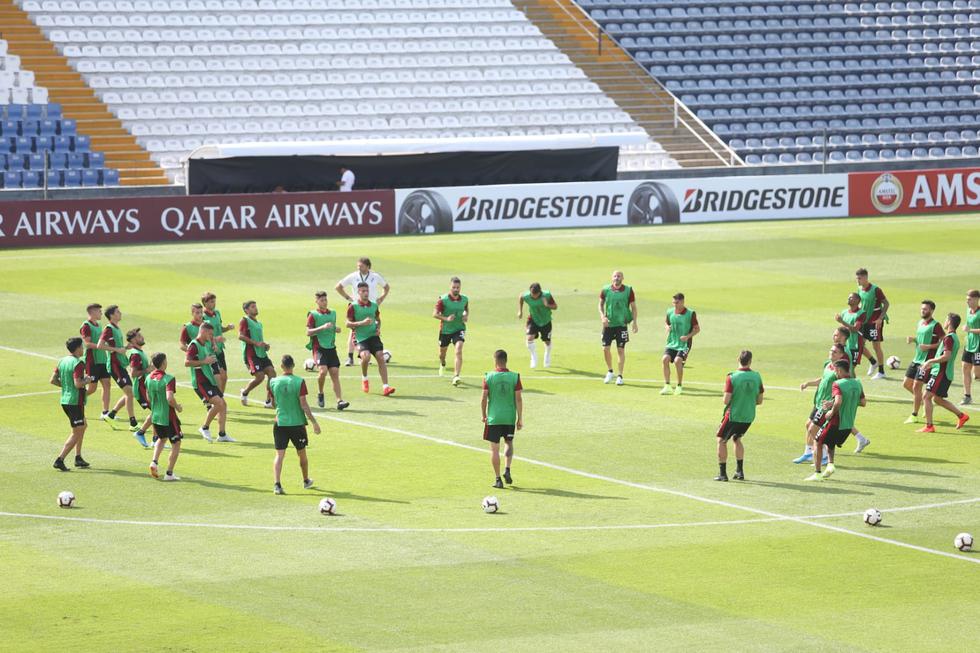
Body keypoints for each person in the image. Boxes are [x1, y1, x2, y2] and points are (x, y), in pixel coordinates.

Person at [269, 354, 321, 495]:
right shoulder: (299, 381)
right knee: (302, 454)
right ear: (293, 366)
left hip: (280, 423)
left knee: (279, 455)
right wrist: (314, 422)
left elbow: (273, 402)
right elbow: (303, 404)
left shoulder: (273, 382)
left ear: (281, 366)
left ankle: (277, 484)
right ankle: (305, 480)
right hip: (297, 424)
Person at [807, 359, 866, 481]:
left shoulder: (837, 384)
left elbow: (839, 402)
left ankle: (817, 473)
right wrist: (832, 403)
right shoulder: (858, 383)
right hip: (848, 424)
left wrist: (831, 412)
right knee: (830, 442)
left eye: (835, 371)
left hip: (836, 422)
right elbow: (862, 402)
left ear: (839, 370)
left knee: (817, 441)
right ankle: (830, 465)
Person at [794, 343, 848, 465]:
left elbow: (843, 390)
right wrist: (808, 383)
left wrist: (832, 403)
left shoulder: (839, 371)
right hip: (818, 402)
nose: (831, 353)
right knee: (808, 425)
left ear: (841, 355)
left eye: (835, 352)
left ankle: (823, 456)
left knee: (814, 429)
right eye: (831, 351)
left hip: (825, 406)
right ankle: (808, 453)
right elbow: (822, 379)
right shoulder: (828, 365)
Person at [714, 350, 763, 481]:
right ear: (750, 361)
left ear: (738, 359)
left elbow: (726, 400)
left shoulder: (732, 377)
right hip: (749, 416)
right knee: (737, 438)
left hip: (733, 415)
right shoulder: (757, 376)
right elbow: (759, 400)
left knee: (721, 440)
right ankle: (739, 471)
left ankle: (722, 474)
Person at [919, 313, 971, 433]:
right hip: (944, 373)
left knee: (926, 397)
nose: (944, 321)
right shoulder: (953, 337)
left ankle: (929, 426)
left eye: (946, 319)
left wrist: (930, 361)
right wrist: (932, 364)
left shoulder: (949, 338)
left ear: (949, 322)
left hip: (941, 373)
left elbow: (946, 356)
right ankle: (961, 416)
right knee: (937, 399)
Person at [335, 257, 389, 367]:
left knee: (372, 329)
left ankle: (365, 355)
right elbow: (338, 287)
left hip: (371, 306)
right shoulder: (353, 276)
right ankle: (350, 357)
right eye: (358, 266)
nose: (359, 268)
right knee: (354, 330)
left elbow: (386, 287)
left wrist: (381, 298)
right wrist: (348, 298)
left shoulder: (375, 277)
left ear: (368, 266)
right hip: (357, 307)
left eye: (361, 266)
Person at [482, 349, 523, 489]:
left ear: (495, 361)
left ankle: (498, 479)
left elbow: (483, 398)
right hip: (509, 418)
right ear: (506, 360)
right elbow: (518, 399)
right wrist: (520, 418)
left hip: (494, 418)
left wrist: (483, 415)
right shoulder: (515, 377)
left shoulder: (488, 376)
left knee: (494, 449)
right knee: (509, 443)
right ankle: (507, 469)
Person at [51, 337, 93, 471]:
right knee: (77, 431)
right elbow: (78, 383)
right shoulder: (78, 363)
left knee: (83, 426)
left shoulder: (62, 361)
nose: (83, 349)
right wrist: (87, 380)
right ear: (77, 348)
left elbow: (53, 380)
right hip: (75, 402)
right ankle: (60, 459)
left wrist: (66, 387)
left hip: (65, 400)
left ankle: (78, 457)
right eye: (82, 347)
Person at [346, 281, 396, 396]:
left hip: (373, 336)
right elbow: (347, 324)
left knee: (380, 356)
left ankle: (386, 387)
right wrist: (361, 323)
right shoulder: (353, 306)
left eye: (367, 291)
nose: (365, 293)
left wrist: (378, 328)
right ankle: (364, 378)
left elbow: (378, 319)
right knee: (366, 357)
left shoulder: (374, 305)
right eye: (363, 291)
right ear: (358, 292)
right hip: (360, 337)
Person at [186, 322, 232, 442]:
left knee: (223, 404)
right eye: (210, 334)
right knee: (218, 403)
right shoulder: (194, 345)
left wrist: (214, 347)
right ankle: (204, 427)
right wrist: (204, 361)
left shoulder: (206, 343)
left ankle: (222, 434)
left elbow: (210, 357)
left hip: (209, 379)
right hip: (200, 382)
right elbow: (187, 362)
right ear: (203, 332)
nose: (212, 336)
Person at [903, 300, 944, 424]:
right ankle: (924, 402)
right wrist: (913, 339)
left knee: (916, 387)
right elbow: (921, 339)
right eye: (922, 309)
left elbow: (944, 342)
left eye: (925, 309)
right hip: (916, 359)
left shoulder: (936, 325)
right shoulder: (920, 322)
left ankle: (914, 415)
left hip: (926, 362)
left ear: (931, 311)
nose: (923, 311)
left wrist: (929, 346)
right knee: (906, 384)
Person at [306, 290, 349, 410]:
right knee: (323, 371)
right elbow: (308, 332)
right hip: (319, 347)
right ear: (316, 301)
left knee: (335, 373)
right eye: (321, 300)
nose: (324, 302)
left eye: (325, 300)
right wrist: (322, 327)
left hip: (331, 347)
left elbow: (332, 327)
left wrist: (336, 329)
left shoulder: (333, 313)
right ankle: (320, 393)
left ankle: (339, 401)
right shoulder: (313, 315)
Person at [98, 304, 138, 429]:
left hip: (120, 364)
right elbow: (100, 345)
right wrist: (117, 349)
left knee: (130, 393)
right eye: (117, 312)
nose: (120, 313)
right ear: (112, 315)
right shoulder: (109, 328)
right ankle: (133, 423)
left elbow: (117, 347)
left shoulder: (116, 328)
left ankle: (111, 415)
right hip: (115, 365)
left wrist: (125, 347)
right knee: (130, 392)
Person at [146, 352, 183, 482]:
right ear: (163, 363)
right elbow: (169, 398)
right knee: (176, 443)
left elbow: (148, 397)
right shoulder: (169, 379)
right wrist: (177, 407)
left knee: (162, 439)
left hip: (155, 416)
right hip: (168, 417)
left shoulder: (148, 378)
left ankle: (154, 462)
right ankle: (169, 473)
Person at [599, 270, 637, 386]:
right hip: (608, 324)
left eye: (619, 276)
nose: (617, 278)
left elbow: (634, 307)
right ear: (612, 278)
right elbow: (600, 304)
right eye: (615, 276)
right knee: (605, 348)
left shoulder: (628, 290)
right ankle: (610, 371)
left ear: (623, 278)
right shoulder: (605, 289)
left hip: (621, 325)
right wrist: (602, 317)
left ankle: (620, 376)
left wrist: (635, 322)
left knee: (620, 350)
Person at [661, 292, 700, 395]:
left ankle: (679, 386)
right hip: (672, 342)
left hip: (684, 344)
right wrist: (667, 327)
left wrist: (687, 336)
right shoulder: (670, 312)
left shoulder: (690, 313)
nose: (675, 305)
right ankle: (667, 386)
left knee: (678, 361)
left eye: (677, 303)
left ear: (682, 302)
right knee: (665, 359)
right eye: (673, 302)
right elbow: (666, 322)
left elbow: (697, 329)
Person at [239, 300, 275, 407]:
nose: (255, 308)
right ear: (246, 310)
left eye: (255, 306)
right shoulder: (244, 320)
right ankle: (245, 392)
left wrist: (265, 345)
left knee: (272, 374)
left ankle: (268, 401)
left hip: (262, 353)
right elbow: (240, 336)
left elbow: (259, 340)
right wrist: (256, 343)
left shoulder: (259, 323)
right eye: (252, 307)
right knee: (260, 376)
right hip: (251, 354)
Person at [79, 303, 112, 418]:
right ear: (92, 312)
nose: (101, 313)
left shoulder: (98, 325)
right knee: (92, 388)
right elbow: (87, 344)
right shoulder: (86, 326)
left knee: (107, 384)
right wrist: (102, 346)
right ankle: (78, 400)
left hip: (102, 360)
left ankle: (105, 412)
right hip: (91, 361)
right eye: (99, 311)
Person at [434, 276, 469, 386]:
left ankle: (456, 376)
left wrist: (466, 316)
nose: (456, 289)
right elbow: (434, 314)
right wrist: (446, 319)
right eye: (454, 287)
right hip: (445, 330)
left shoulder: (464, 299)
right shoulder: (443, 300)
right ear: (450, 287)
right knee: (442, 354)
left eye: (458, 287)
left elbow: (466, 309)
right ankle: (442, 363)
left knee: (458, 349)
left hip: (459, 329)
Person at [855, 268, 890, 379]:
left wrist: (880, 318)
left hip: (875, 321)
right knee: (859, 344)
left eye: (859, 278)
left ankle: (881, 371)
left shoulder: (876, 290)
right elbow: (861, 304)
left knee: (876, 346)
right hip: (864, 320)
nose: (858, 281)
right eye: (857, 278)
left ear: (865, 278)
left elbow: (886, 303)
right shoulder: (860, 289)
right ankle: (873, 362)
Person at [517, 283, 557, 369]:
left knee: (547, 341)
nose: (534, 297)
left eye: (536, 295)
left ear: (540, 292)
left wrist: (547, 305)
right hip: (533, 319)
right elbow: (521, 297)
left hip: (546, 321)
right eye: (532, 295)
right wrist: (520, 311)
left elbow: (555, 306)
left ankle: (547, 356)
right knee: (529, 338)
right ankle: (533, 357)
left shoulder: (547, 295)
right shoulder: (527, 296)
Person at [202, 292, 235, 394]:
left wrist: (227, 328)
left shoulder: (217, 313)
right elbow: (203, 335)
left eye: (214, 301)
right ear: (205, 303)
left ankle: (220, 398)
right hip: (210, 350)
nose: (214, 303)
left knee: (224, 377)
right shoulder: (203, 317)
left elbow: (219, 328)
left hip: (219, 349)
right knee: (218, 377)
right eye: (212, 302)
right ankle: (217, 401)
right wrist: (215, 339)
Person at [127, 328, 153, 448]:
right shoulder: (135, 354)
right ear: (133, 340)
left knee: (158, 411)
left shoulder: (138, 352)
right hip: (141, 388)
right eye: (139, 336)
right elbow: (133, 373)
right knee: (157, 411)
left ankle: (154, 439)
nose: (142, 337)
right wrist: (147, 370)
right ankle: (141, 433)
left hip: (145, 386)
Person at [834, 292, 866, 373]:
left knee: (850, 369)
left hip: (855, 345)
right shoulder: (844, 312)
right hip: (845, 345)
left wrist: (842, 321)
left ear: (857, 300)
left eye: (851, 298)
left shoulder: (861, 313)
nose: (848, 299)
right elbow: (843, 329)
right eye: (848, 297)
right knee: (845, 369)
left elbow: (855, 329)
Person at [962, 289, 980, 405]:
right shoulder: (968, 310)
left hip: (978, 347)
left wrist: (970, 330)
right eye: (966, 299)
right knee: (965, 368)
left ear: (976, 299)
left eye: (969, 299)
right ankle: (967, 396)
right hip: (969, 345)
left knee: (977, 376)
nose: (967, 302)